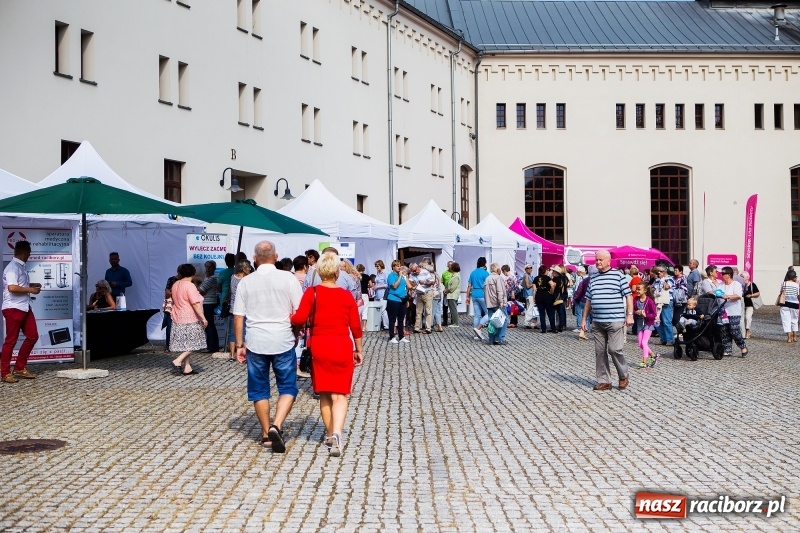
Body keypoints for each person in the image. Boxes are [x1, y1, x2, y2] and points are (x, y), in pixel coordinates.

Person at [290, 252, 363, 457]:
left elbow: (298, 319)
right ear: (338, 273)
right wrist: (359, 350)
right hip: (341, 345)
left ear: (319, 271)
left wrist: (288, 315)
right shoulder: (346, 295)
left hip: (320, 346)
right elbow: (355, 326)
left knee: (324, 393)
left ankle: (330, 434)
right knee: (340, 394)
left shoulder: (312, 292)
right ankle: (338, 433)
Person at [233, 241, 303, 453]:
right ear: (276, 256)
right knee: (288, 387)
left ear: (254, 258)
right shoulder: (288, 279)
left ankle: (265, 434)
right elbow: (298, 312)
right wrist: (296, 334)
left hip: (255, 341)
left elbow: (238, 316)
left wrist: (239, 345)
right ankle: (277, 425)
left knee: (259, 389)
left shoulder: (245, 282)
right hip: (282, 339)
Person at [580, 250, 633, 391]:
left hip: (615, 320)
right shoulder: (594, 278)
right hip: (597, 321)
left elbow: (628, 296)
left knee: (615, 349)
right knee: (600, 352)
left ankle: (623, 375)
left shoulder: (618, 276)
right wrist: (584, 319)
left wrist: (629, 314)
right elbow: (588, 300)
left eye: (600, 260)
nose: (597, 262)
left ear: (608, 261)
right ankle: (604, 380)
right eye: (596, 260)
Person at [1, 241, 41, 383]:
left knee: (32, 336)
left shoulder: (20, 267)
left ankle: (19, 368)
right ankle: (4, 372)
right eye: (29, 253)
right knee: (10, 341)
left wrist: (30, 285)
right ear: (25, 252)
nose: (29, 255)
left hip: (24, 306)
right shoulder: (12, 267)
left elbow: (18, 285)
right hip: (13, 308)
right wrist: (30, 290)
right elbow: (12, 287)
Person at [169, 263, 208, 376]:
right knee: (196, 343)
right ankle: (178, 360)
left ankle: (187, 367)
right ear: (193, 273)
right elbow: (195, 304)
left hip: (178, 317)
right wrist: (203, 318)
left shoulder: (176, 284)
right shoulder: (189, 286)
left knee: (186, 344)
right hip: (190, 317)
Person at [226, 259, 253, 360]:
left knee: (233, 332)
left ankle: (232, 354)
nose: (250, 269)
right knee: (245, 332)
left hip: (233, 308)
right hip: (244, 309)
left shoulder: (233, 277)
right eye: (248, 267)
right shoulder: (247, 280)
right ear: (244, 268)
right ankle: (244, 354)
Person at [718, 266, 748, 357]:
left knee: (734, 330)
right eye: (721, 274)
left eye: (723, 274)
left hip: (734, 311)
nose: (722, 275)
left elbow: (738, 295)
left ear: (729, 275)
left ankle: (743, 346)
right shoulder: (720, 285)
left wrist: (727, 296)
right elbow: (717, 293)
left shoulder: (736, 284)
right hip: (723, 312)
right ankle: (727, 349)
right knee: (724, 331)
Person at [632, 282, 659, 368]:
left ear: (645, 290)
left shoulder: (649, 301)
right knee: (640, 344)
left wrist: (646, 315)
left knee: (644, 342)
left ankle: (644, 362)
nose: (637, 291)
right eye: (637, 289)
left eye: (639, 289)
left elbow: (654, 314)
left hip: (648, 323)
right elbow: (632, 310)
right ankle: (653, 355)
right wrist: (636, 312)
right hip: (640, 323)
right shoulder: (635, 299)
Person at [198, 260, 220, 353]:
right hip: (207, 303)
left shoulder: (212, 278)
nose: (207, 269)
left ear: (214, 268)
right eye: (206, 267)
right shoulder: (208, 278)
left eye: (209, 267)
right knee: (210, 325)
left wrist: (199, 289)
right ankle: (212, 345)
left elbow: (200, 291)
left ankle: (211, 346)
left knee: (209, 325)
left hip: (208, 303)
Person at [483, 263, 508, 345]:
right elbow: (500, 291)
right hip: (497, 303)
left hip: (489, 303)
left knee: (491, 322)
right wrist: (501, 302)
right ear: (497, 270)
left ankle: (491, 339)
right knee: (503, 320)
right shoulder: (498, 278)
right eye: (499, 269)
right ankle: (499, 338)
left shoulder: (487, 278)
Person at [465, 257, 490, 340]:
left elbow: (469, 286)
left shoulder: (473, 273)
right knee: (488, 313)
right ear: (484, 263)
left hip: (474, 294)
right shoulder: (486, 273)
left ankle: (476, 335)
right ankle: (478, 328)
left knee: (477, 315)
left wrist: (467, 296)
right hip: (483, 294)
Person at [386, 260, 409, 343]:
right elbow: (394, 286)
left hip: (402, 299)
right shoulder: (390, 276)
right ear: (393, 267)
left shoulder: (403, 276)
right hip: (393, 299)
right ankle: (392, 337)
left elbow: (405, 288)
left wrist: (406, 299)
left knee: (401, 319)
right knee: (392, 319)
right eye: (397, 266)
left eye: (399, 266)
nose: (399, 267)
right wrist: (399, 277)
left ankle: (401, 336)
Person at [651, 267, 674, 346]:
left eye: (659, 272)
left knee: (666, 321)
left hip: (667, 302)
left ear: (664, 271)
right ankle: (663, 339)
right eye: (657, 273)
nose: (658, 274)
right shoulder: (657, 280)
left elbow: (667, 287)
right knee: (658, 321)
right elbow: (652, 288)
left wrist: (664, 279)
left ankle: (670, 340)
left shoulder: (670, 279)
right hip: (658, 302)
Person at [409, 262, 434, 334]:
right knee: (418, 311)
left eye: (415, 270)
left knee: (428, 311)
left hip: (427, 293)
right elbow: (410, 281)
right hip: (419, 293)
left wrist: (425, 283)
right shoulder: (412, 274)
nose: (414, 272)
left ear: (417, 267)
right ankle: (417, 327)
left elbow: (432, 282)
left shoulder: (425, 272)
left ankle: (428, 328)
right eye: (412, 271)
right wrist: (415, 285)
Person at [532, 265, 556, 333]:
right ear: (545, 271)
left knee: (542, 313)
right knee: (550, 312)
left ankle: (543, 329)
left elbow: (534, 289)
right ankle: (553, 328)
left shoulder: (536, 278)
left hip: (539, 295)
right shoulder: (547, 278)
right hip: (547, 295)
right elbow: (552, 285)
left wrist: (534, 298)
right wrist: (551, 292)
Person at [779, 270, 799, 343]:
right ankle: (795, 336)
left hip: (785, 304)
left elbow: (781, 292)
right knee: (794, 320)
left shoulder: (783, 283)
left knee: (786, 320)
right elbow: (798, 295)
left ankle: (789, 337)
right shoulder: (797, 285)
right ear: (794, 277)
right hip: (795, 304)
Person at [741, 271, 760, 339]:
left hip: (749, 304)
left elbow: (758, 293)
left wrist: (751, 295)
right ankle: (743, 331)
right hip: (741, 305)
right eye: (741, 276)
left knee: (748, 318)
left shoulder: (752, 284)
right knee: (742, 319)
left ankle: (747, 330)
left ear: (747, 277)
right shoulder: (739, 284)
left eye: (743, 276)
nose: (741, 278)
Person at [550, 265, 568, 332]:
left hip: (556, 296)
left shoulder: (555, 279)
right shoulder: (564, 278)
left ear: (556, 272)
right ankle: (562, 325)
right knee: (562, 312)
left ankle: (558, 326)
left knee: (557, 311)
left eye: (553, 271)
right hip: (563, 296)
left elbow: (553, 287)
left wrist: (551, 292)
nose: (552, 272)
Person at [373, 260, 388, 330]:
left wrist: (378, 286)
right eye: (375, 266)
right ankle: (379, 325)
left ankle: (386, 325)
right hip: (377, 294)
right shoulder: (377, 273)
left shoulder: (385, 273)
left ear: (381, 265)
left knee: (383, 310)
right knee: (377, 310)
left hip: (383, 294)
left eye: (377, 266)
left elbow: (387, 284)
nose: (376, 267)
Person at [446, 262, 461, 327]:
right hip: (451, 295)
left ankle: (456, 323)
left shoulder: (456, 276)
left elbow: (452, 288)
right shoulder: (455, 275)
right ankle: (454, 322)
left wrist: (446, 291)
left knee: (453, 309)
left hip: (452, 295)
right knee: (452, 309)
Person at [521, 264, 536, 328]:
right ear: (525, 269)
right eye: (528, 268)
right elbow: (527, 286)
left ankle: (528, 322)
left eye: (531, 268)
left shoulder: (528, 275)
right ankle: (526, 322)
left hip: (529, 293)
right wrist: (533, 285)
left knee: (529, 307)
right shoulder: (526, 276)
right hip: (529, 293)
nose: (530, 269)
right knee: (530, 307)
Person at [441, 261, 454, 326]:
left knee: (453, 307)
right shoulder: (444, 273)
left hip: (453, 292)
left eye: (451, 265)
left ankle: (453, 320)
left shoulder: (456, 273)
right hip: (446, 292)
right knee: (445, 307)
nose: (450, 266)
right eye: (449, 265)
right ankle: (445, 321)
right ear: (447, 266)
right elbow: (443, 282)